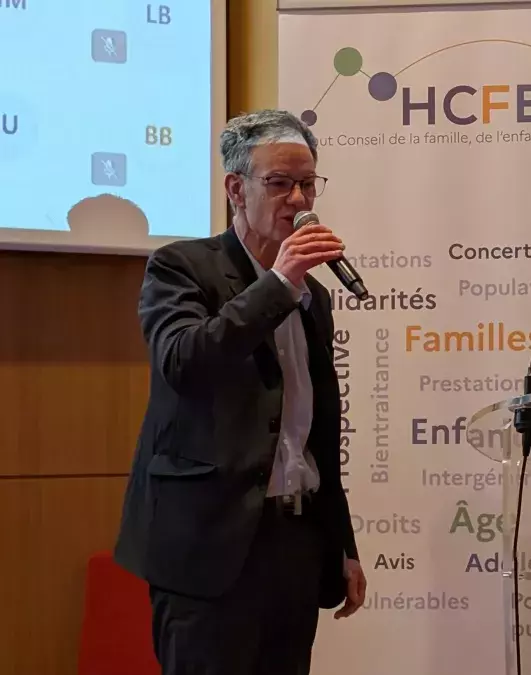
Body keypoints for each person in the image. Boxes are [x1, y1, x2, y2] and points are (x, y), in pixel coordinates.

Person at [114, 109, 367, 675]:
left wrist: (341, 544)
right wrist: (278, 284)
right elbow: (184, 361)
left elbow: (314, 434)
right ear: (236, 189)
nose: (299, 200)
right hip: (208, 548)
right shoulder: (180, 267)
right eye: (280, 183)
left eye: (308, 183)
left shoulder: (314, 296)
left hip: (295, 542)